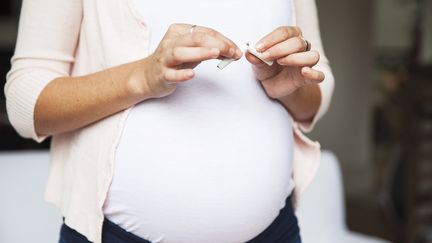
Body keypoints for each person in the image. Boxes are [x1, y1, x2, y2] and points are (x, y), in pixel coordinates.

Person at [5, 0, 334, 242]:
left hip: (275, 232)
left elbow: (316, 92)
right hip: (116, 236)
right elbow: (25, 103)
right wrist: (142, 76)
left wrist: (288, 85)